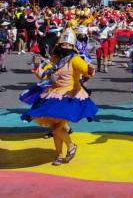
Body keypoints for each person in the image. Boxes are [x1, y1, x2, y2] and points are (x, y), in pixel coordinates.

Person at [20, 28, 97, 166]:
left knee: (56, 129)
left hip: (70, 96)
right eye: (64, 44)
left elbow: (86, 70)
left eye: (69, 45)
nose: (66, 47)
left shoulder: (75, 59)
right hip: (54, 94)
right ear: (59, 45)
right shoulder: (55, 59)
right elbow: (45, 72)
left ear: (72, 46)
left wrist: (90, 68)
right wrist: (38, 67)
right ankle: (59, 156)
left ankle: (72, 146)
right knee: (55, 129)